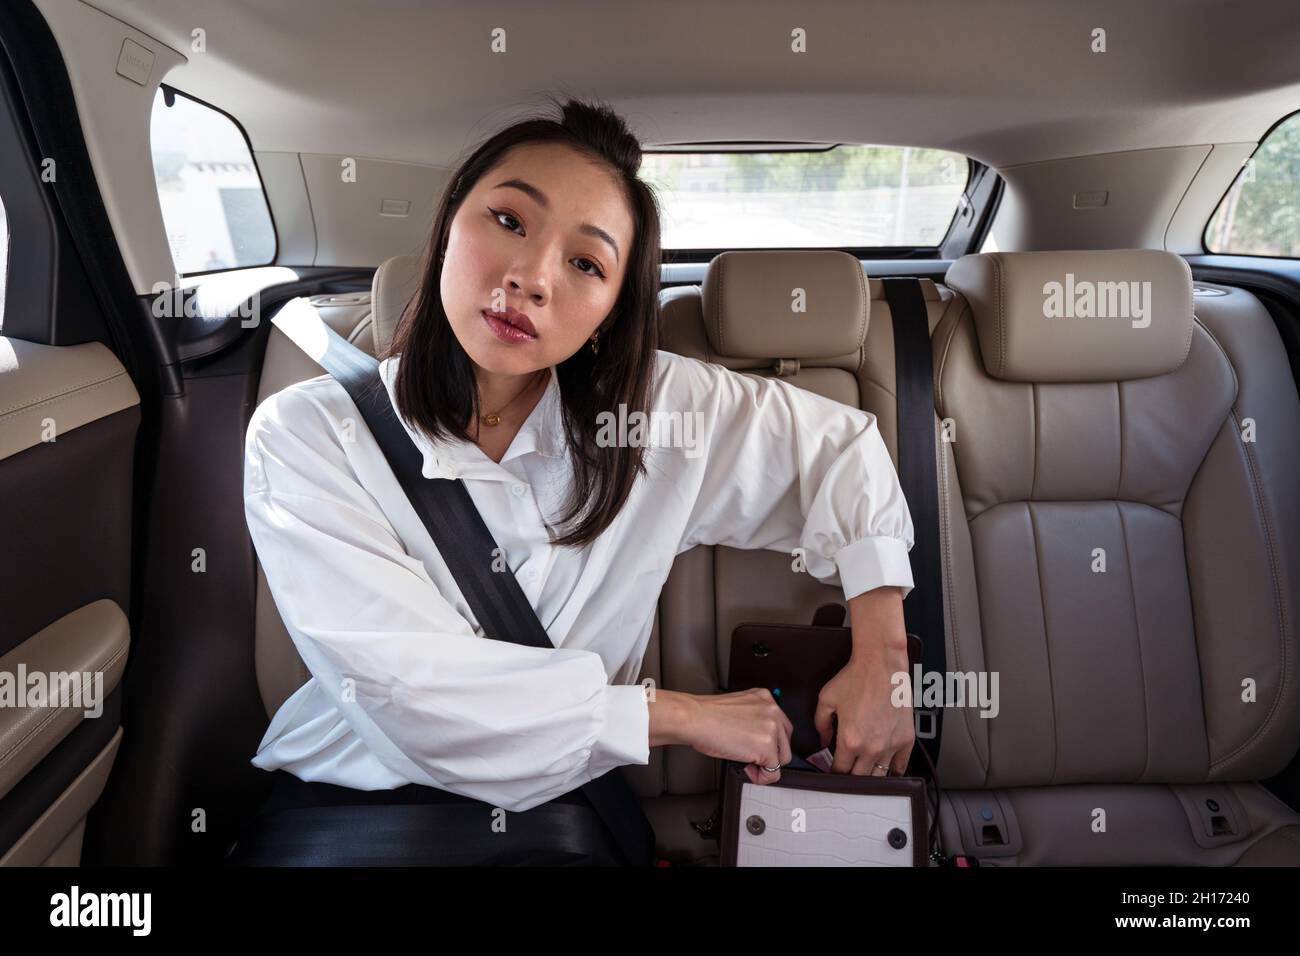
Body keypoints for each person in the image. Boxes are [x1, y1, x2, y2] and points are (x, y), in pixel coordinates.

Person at [230, 96, 916, 866]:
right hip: (348, 818)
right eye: (510, 221)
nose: (530, 279)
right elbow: (411, 696)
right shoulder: (308, 433)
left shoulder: (654, 415)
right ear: (450, 218)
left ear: (610, 310)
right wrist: (680, 716)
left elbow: (840, 447)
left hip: (554, 826)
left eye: (586, 263)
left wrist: (881, 661)